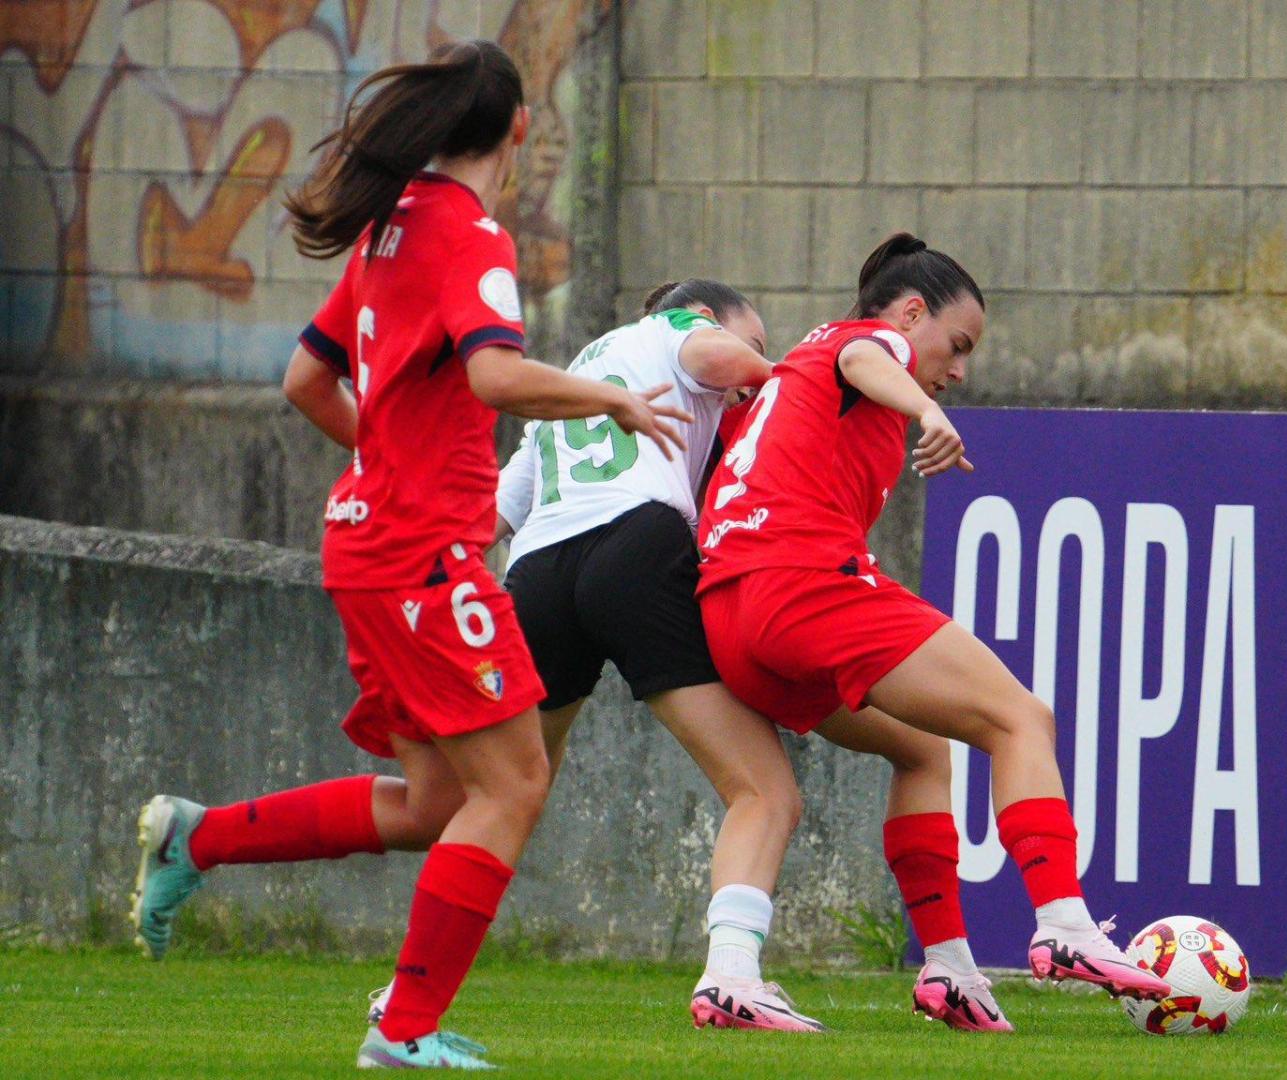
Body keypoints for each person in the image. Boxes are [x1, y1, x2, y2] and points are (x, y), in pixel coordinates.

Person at [129, 40, 692, 1069]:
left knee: (438, 803)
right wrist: (606, 394)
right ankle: (404, 1029)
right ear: (518, 129)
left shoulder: (387, 233)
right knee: (516, 785)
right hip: (420, 559)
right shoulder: (472, 237)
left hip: (366, 546)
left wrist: (388, 459)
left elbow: (306, 379)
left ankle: (194, 838)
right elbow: (495, 378)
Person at [480, 277, 1012, 1033]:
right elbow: (759, 371)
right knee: (764, 792)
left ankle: (413, 984)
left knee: (509, 794)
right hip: (635, 552)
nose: (750, 364)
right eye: (750, 340)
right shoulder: (682, 333)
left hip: (535, 575)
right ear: (703, 317)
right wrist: (781, 379)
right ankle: (732, 975)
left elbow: (492, 516)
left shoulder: (579, 379)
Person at [696, 233, 1175, 1006]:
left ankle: (946, 967)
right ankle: (1065, 924)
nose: (958, 371)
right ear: (913, 312)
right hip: (800, 584)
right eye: (956, 346)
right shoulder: (862, 343)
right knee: (1021, 717)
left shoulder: (799, 373)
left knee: (923, 751)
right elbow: (867, 357)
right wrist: (923, 407)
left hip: (729, 615)